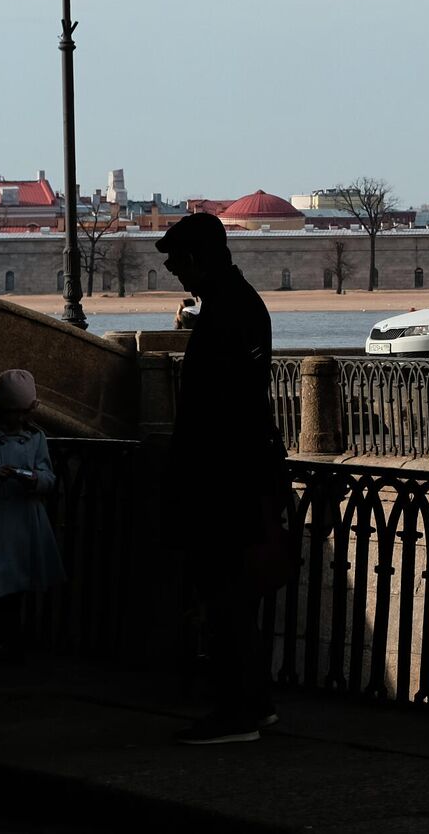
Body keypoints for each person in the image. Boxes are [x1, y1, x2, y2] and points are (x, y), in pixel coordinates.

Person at [156, 211, 288, 745]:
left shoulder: (226, 312)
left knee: (224, 599)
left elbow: (219, 410)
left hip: (223, 483)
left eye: (177, 265)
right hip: (243, 478)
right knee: (238, 601)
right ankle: (254, 703)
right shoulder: (243, 304)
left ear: (197, 259)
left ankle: (235, 712)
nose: (176, 277)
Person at [0, 368, 64, 665]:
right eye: (16, 413)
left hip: (22, 519)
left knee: (16, 586)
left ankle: (12, 641)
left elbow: (49, 477)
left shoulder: (36, 438)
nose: (20, 419)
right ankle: (8, 640)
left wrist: (33, 480)